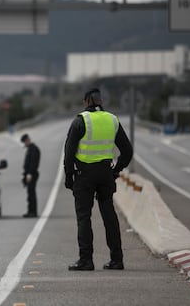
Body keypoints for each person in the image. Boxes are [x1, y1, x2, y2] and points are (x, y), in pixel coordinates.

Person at [64, 88, 133, 271]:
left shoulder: (81, 120)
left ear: (86, 101)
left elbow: (69, 152)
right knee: (109, 216)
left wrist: (69, 176)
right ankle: (117, 260)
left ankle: (86, 260)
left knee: (84, 217)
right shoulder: (112, 120)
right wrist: (116, 171)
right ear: (101, 101)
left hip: (84, 176)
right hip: (105, 174)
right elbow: (127, 151)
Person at [20, 133, 41, 218]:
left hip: (32, 174)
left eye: (24, 142)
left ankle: (33, 212)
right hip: (30, 174)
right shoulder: (31, 149)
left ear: (27, 140)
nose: (25, 144)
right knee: (30, 193)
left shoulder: (34, 149)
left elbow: (33, 163)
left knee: (31, 194)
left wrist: (29, 174)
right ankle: (30, 211)